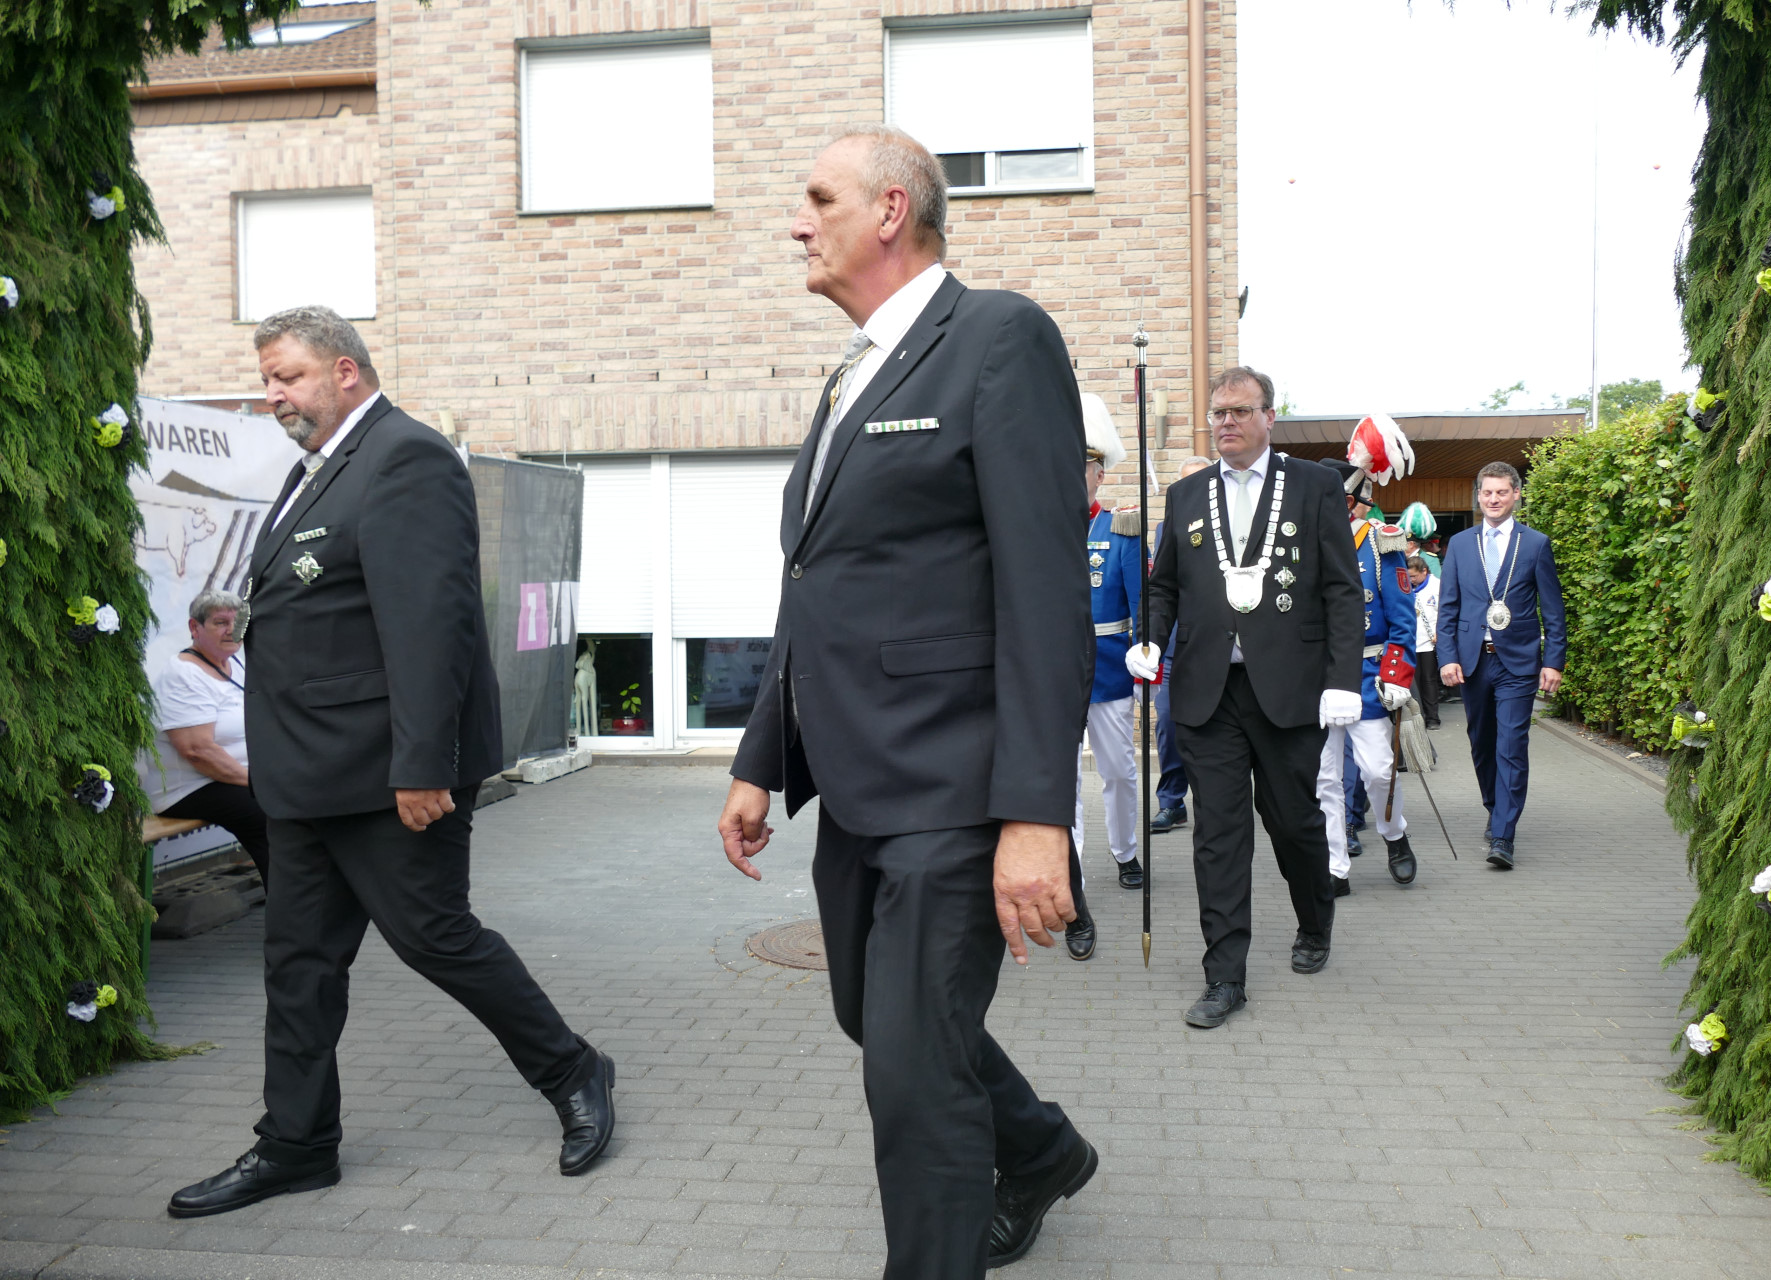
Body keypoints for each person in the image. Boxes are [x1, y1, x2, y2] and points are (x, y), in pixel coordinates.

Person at [715, 125, 1097, 1279]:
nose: (797, 222)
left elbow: (1044, 594)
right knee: (872, 1017)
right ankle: (1042, 1150)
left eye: (818, 198)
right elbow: (817, 586)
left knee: (915, 1073)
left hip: (955, 785)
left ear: (891, 210)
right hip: (856, 787)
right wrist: (760, 758)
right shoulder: (853, 373)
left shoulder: (997, 338)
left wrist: (1036, 814)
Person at [169, 306, 613, 1219]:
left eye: (288, 376)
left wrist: (424, 766)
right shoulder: (318, 470)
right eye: (267, 379)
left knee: (434, 938)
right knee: (298, 964)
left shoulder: (405, 456)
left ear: (345, 370)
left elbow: (431, 627)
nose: (273, 394)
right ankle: (296, 1146)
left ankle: (574, 1070)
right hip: (305, 779)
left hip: (386, 775)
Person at [1129, 365, 1363, 1029]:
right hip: (1208, 692)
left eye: (1239, 411)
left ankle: (1315, 919)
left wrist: (1343, 679)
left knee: (1292, 821)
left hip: (1288, 690)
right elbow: (1164, 586)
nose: (1226, 422)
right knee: (1219, 836)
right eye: (1218, 412)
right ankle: (1224, 975)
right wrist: (1151, 640)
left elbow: (1342, 589)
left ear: (1268, 417)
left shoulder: (1313, 486)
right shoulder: (1187, 494)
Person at [1436, 461, 1567, 870]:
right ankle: (1495, 808)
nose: (1494, 499)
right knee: (1482, 743)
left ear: (1516, 495)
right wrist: (1447, 657)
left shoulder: (1536, 544)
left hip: (1518, 664)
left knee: (1511, 745)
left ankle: (1504, 835)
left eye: (1502, 492)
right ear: (1478, 496)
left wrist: (1553, 661)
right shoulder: (1460, 544)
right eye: (1487, 492)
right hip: (1473, 662)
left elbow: (1553, 610)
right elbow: (1448, 607)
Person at [1314, 415, 1420, 895]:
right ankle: (1335, 865)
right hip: (1317, 675)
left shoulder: (1380, 541)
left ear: (1352, 500)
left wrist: (1397, 674)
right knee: (1323, 777)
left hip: (1368, 671)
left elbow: (1402, 617)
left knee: (1377, 770)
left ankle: (1394, 834)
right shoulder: (1303, 542)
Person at [147, 588, 271, 888]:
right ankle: (292, 905)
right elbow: (197, 751)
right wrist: (259, 781)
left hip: (230, 777)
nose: (231, 630)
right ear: (195, 627)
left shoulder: (233, 663)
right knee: (269, 812)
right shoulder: (184, 675)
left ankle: (308, 897)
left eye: (238, 622)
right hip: (189, 787)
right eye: (220, 623)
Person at [1074, 392, 1143, 911]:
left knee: (1118, 770)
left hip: (1109, 670)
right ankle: (1067, 865)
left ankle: (1125, 851)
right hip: (1055, 673)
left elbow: (1143, 605)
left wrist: (1145, 661)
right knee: (1061, 778)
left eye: (1084, 467)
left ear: (1100, 474)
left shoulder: (1121, 529)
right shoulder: (1038, 531)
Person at [1148, 456, 1215, 834]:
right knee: (1169, 724)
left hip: (1218, 646)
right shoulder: (1165, 528)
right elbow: (1162, 587)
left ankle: (1214, 802)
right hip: (1176, 647)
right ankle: (1172, 802)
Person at [1407, 554, 1443, 730]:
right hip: (1411, 641)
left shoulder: (1437, 585)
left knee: (1429, 681)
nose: (1411, 580)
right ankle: (1418, 717)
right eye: (1409, 576)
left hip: (1429, 642)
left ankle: (1432, 718)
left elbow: (1444, 611)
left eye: (1414, 576)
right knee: (1414, 682)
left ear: (1424, 571)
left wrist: (1439, 632)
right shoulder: (1406, 586)